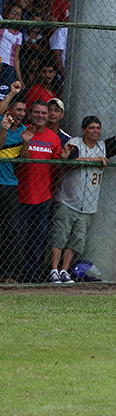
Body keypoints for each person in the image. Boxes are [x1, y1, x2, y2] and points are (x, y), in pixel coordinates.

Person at [49, 101, 116, 284]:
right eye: (92, 128)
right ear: (84, 130)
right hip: (68, 200)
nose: (96, 131)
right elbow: (72, 161)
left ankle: (64, 271)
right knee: (59, 236)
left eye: (98, 128)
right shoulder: (75, 142)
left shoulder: (103, 146)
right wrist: (95, 160)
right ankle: (53, 270)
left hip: (88, 206)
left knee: (76, 241)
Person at [16, 101, 62, 282]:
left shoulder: (53, 138)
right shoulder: (22, 131)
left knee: (38, 237)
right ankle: (13, 273)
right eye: (37, 112)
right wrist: (26, 142)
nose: (41, 115)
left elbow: (57, 170)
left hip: (43, 197)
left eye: (44, 113)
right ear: (30, 113)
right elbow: (19, 160)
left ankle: (32, 275)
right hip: (20, 195)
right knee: (16, 237)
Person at [0, 82, 26, 282]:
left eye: (25, 110)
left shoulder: (24, 130)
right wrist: (12, 93)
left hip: (9, 182)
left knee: (12, 228)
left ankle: (8, 273)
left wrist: (26, 142)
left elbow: (23, 159)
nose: (22, 113)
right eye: (19, 109)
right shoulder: (2, 121)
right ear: (9, 110)